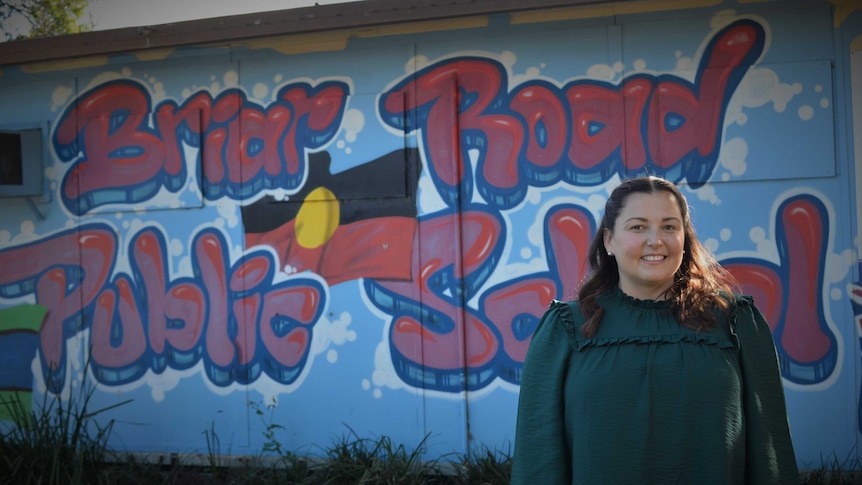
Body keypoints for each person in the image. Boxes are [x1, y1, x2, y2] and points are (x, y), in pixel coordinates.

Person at [511, 176, 798, 484]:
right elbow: (538, 456)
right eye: (638, 226)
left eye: (669, 227)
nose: (655, 240)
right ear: (609, 240)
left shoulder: (735, 321)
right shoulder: (566, 328)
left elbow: (770, 451)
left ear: (684, 238)